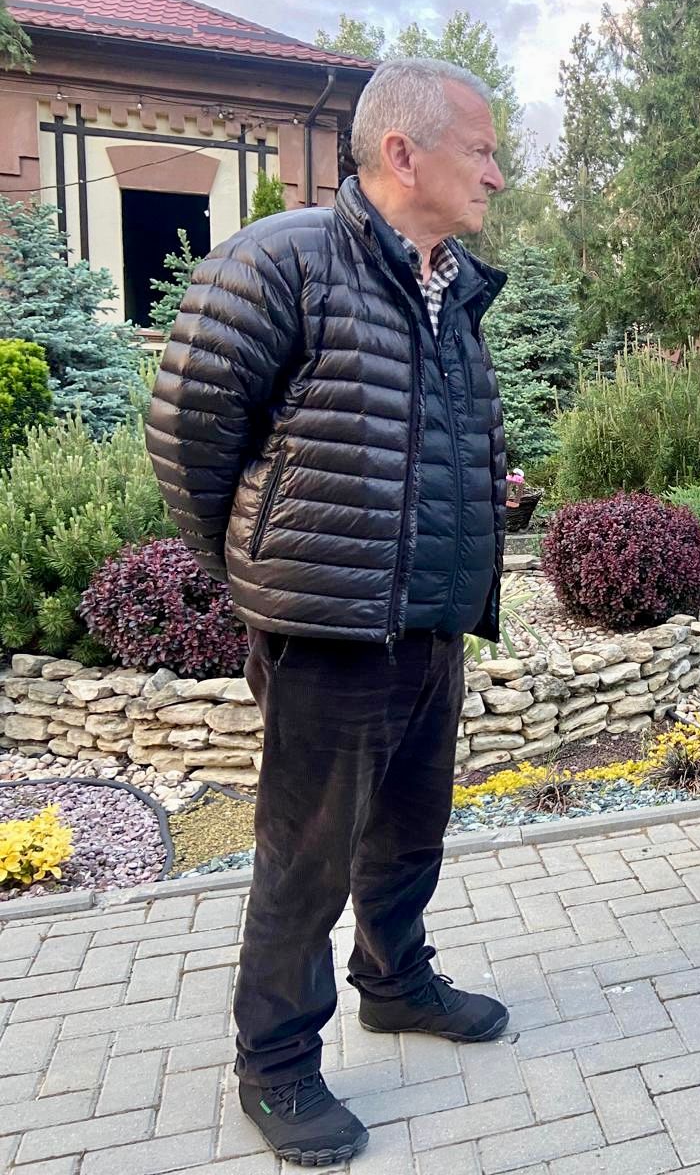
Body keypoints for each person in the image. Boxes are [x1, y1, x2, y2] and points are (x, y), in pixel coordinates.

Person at [146, 58, 512, 1166]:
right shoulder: (283, 261)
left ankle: (395, 983)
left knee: (409, 829)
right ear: (402, 152)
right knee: (304, 861)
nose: (497, 173)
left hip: (430, 621)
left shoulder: (453, 289)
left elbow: (420, 438)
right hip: (330, 627)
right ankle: (275, 1066)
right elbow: (188, 435)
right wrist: (262, 568)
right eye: (481, 150)